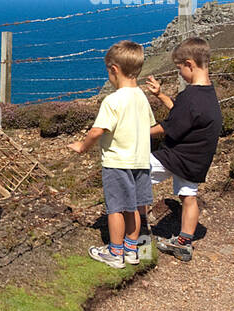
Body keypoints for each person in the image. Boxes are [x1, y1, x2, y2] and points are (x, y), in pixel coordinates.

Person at [68, 41, 155, 268]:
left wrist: (82, 146)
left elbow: (98, 130)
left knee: (115, 208)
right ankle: (132, 250)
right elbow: (148, 126)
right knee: (135, 206)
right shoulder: (142, 97)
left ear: (114, 70)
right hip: (140, 161)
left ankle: (115, 253)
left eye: (108, 71)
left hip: (117, 162)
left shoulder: (112, 100)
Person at [142, 37, 223, 262]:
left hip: (177, 155)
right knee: (189, 197)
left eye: (180, 69)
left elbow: (169, 127)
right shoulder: (207, 93)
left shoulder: (191, 95)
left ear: (189, 64)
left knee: (136, 172)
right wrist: (160, 95)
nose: (180, 74)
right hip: (197, 158)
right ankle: (184, 243)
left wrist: (137, 132)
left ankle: (137, 231)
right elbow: (183, 114)